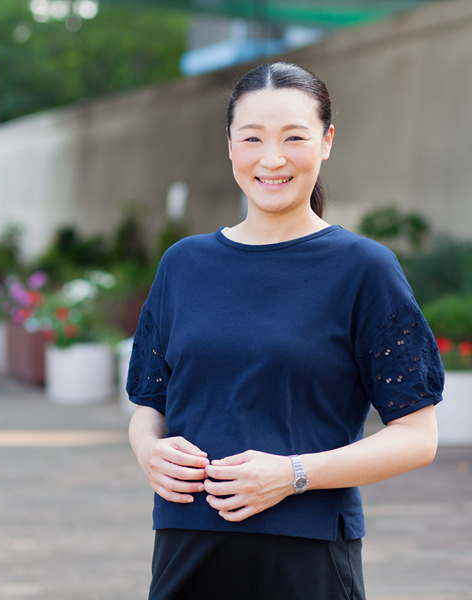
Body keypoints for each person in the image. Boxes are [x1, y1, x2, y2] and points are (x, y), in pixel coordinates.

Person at [126, 62, 443, 600]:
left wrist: (293, 474)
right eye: (252, 138)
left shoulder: (364, 269)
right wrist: (149, 452)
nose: (271, 159)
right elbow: (149, 405)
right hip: (186, 544)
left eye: (294, 137)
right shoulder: (184, 264)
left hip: (306, 554)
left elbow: (418, 437)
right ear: (230, 145)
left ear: (326, 142)